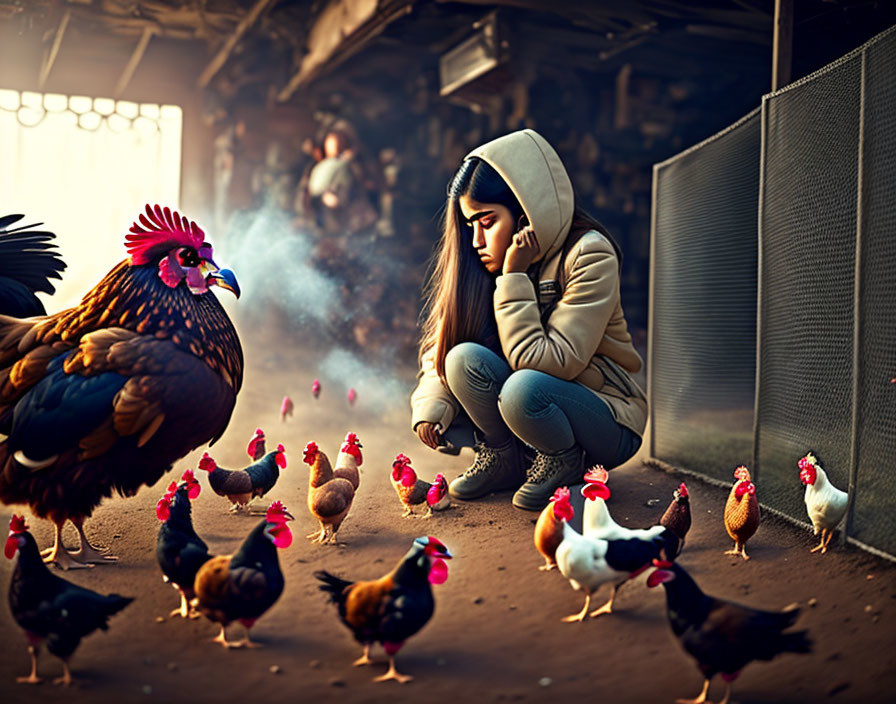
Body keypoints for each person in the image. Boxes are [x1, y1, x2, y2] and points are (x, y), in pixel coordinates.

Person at [410, 129, 646, 511]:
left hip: (607, 417)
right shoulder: (486, 265)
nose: (476, 240)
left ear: (525, 217)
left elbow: (551, 362)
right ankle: (504, 458)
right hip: (531, 407)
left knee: (523, 388)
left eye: (487, 222)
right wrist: (432, 408)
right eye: (470, 225)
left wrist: (514, 279)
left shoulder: (590, 255)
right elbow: (444, 342)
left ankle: (563, 461)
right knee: (460, 360)